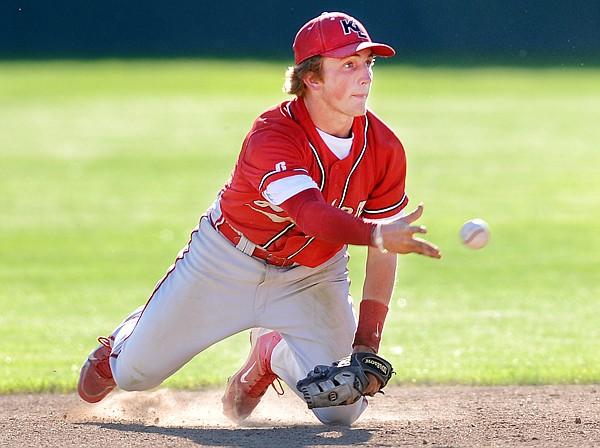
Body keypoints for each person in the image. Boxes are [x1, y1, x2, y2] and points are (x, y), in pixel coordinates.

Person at [77, 11, 441, 426]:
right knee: (135, 375)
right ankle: (122, 345)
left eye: (367, 64)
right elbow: (311, 216)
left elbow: (383, 252)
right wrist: (375, 235)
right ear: (312, 79)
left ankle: (270, 354)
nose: (365, 76)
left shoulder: (384, 147)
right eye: (348, 64)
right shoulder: (273, 134)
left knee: (342, 409)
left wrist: (366, 345)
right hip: (225, 263)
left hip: (312, 277)